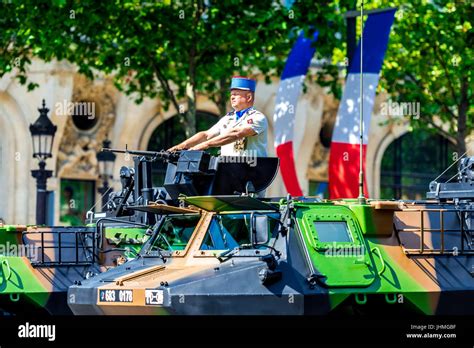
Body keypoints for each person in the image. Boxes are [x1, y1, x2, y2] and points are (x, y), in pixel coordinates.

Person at [168, 76, 268, 157]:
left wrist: (205, 145)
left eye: (236, 94)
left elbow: (236, 134)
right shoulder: (228, 118)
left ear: (249, 97)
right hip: (228, 170)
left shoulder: (257, 118)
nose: (232, 97)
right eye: (231, 94)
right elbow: (206, 135)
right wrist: (181, 146)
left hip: (251, 170)